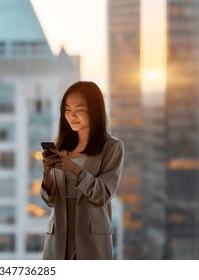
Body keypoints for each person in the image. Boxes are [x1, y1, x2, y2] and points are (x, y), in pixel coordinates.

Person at [41, 81, 124, 260]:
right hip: (59, 236)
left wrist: (75, 170)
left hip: (91, 237)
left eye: (79, 110)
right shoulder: (60, 147)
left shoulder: (112, 147)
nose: (72, 116)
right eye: (67, 109)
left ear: (94, 111)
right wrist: (46, 173)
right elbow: (50, 199)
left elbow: (103, 194)